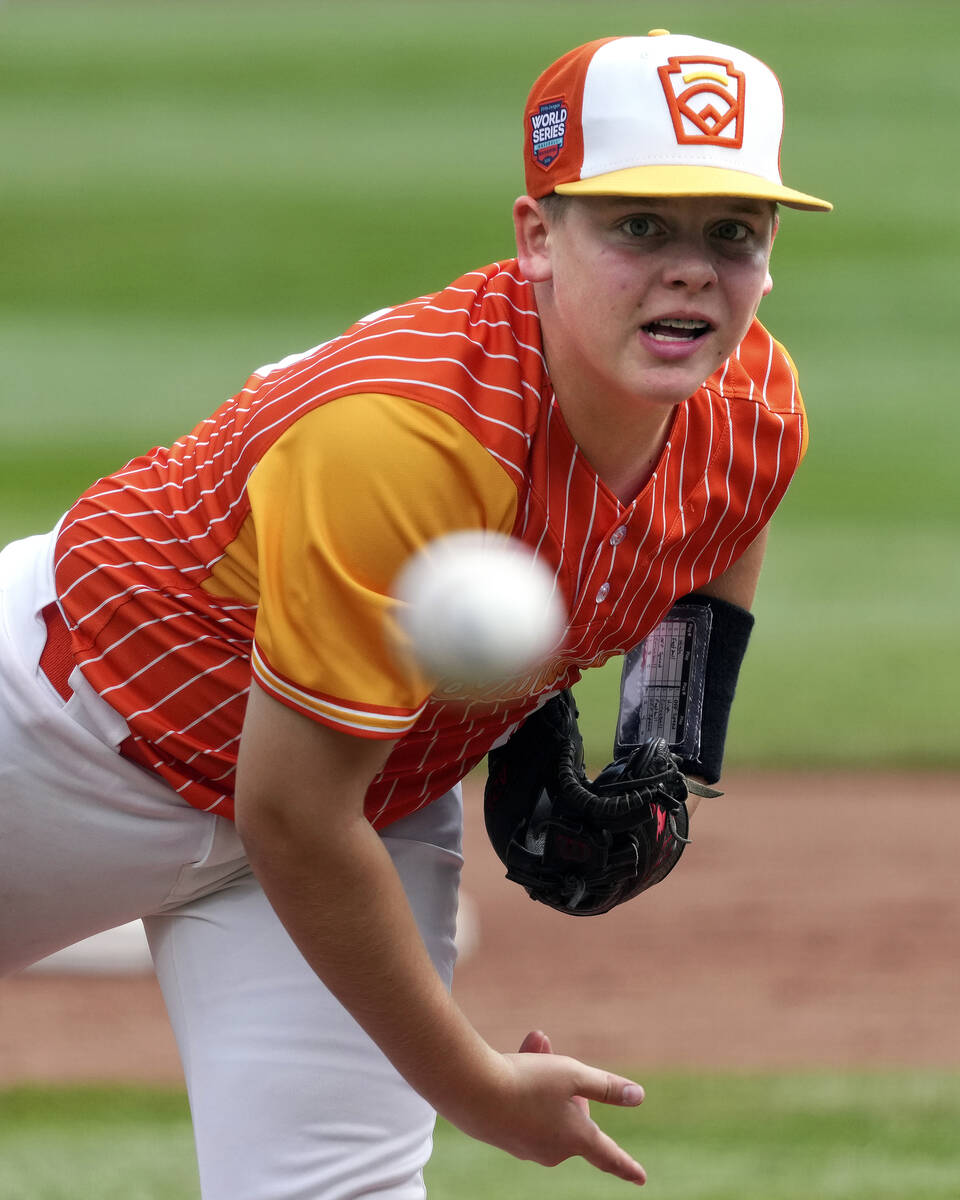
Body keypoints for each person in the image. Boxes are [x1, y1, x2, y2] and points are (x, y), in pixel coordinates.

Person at [0, 29, 830, 1198]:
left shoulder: (750, 400)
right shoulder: (408, 438)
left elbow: (717, 525)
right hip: (55, 740)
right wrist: (483, 1088)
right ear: (539, 237)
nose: (691, 270)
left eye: (731, 233)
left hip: (354, 806)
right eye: (638, 226)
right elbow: (288, 812)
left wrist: (661, 745)